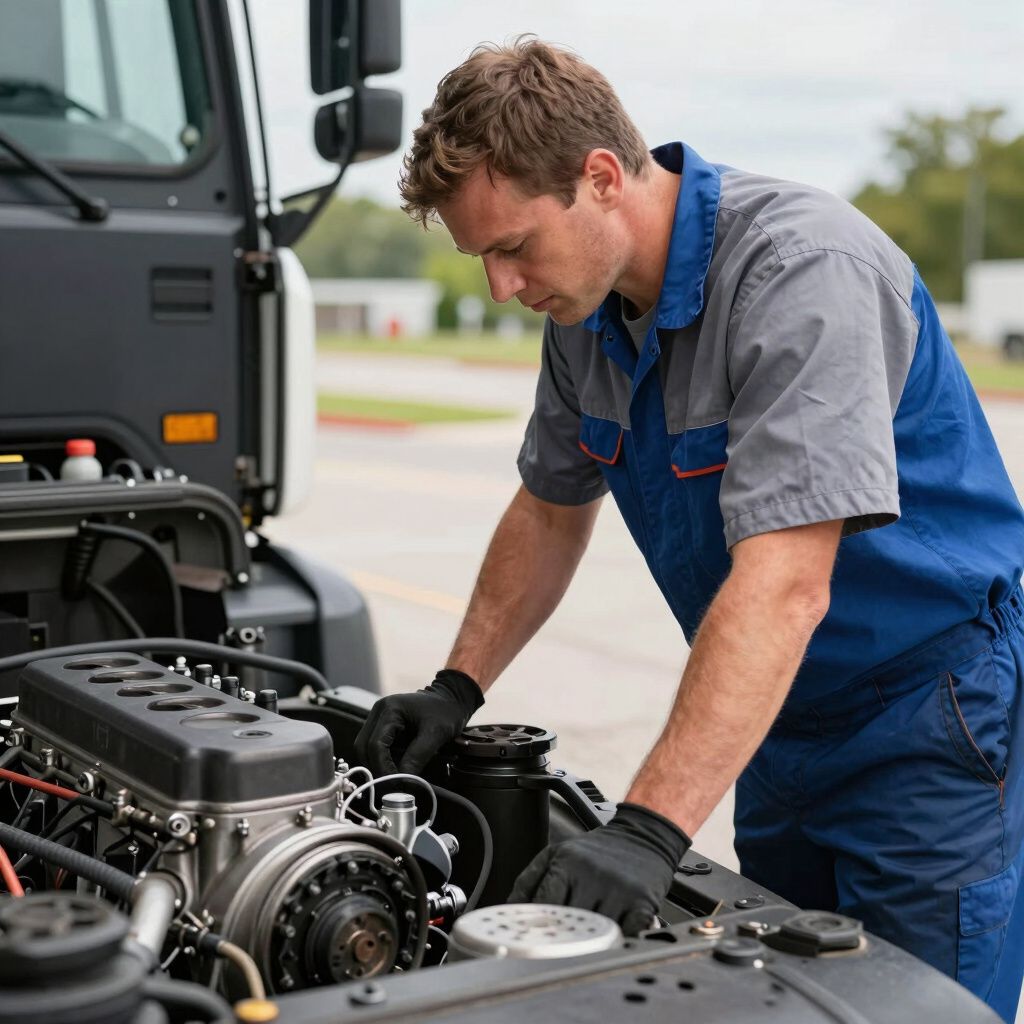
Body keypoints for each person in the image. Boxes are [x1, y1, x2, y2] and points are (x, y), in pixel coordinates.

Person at [354, 37, 1024, 1019]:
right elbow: (548, 508)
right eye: (480, 257)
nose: (500, 285)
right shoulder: (582, 314)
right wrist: (456, 685)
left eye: (513, 246)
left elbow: (787, 581)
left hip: (922, 719)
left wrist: (649, 827)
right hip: (772, 722)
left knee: (912, 1006)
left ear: (599, 176)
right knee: (788, 998)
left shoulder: (802, 272)